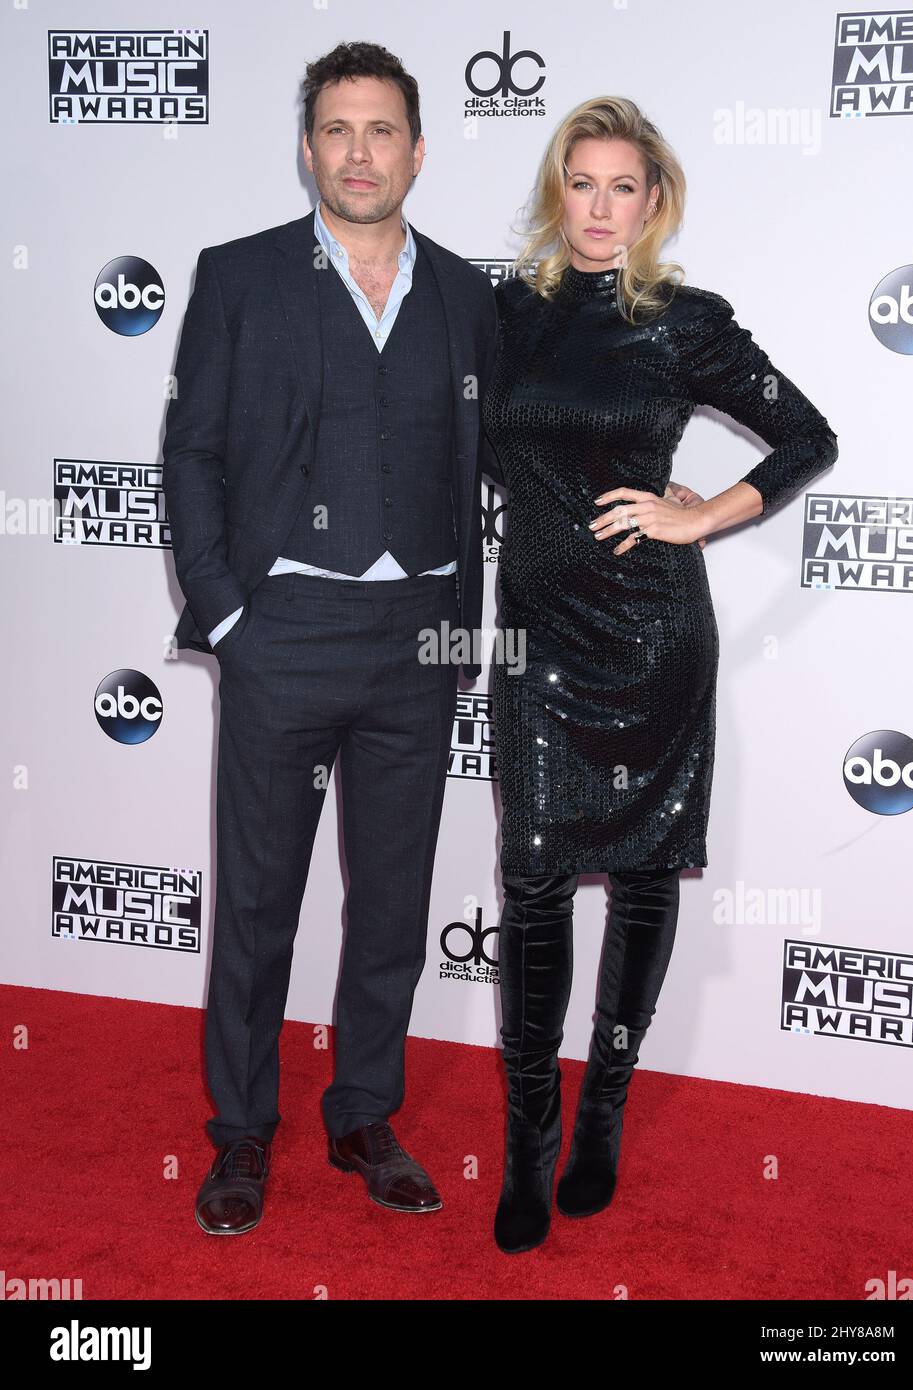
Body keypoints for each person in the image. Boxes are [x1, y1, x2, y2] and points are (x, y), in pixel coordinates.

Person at [479, 95, 839, 1254]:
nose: (598, 207)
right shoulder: (501, 317)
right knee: (532, 877)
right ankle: (527, 1140)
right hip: (537, 637)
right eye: (580, 183)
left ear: (652, 202)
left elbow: (806, 439)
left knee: (640, 878)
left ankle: (602, 1118)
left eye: (620, 187)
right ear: (557, 193)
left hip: (650, 640)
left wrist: (701, 519)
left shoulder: (686, 324)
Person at [162, 42, 499, 1234]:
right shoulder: (241, 276)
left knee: (394, 900)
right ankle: (242, 1132)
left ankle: (364, 1112)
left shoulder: (468, 295)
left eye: (383, 130)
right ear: (309, 149)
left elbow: (492, 463)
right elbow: (193, 451)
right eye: (339, 131)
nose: (361, 153)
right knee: (259, 900)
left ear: (417, 148)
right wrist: (233, 613)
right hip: (286, 628)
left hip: (418, 632)